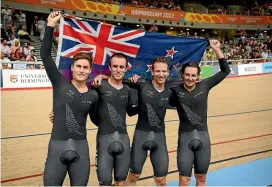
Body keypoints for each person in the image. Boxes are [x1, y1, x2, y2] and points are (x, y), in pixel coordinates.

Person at [50, 53, 138, 186]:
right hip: (104, 140)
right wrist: (59, 112)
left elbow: (131, 111)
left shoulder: (128, 88)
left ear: (126, 68)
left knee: (121, 182)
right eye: (115, 66)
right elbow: (81, 101)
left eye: (121, 67)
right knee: (105, 183)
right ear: (109, 67)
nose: (118, 69)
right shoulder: (98, 87)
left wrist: (146, 103)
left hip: (124, 140)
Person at [93, 56, 175, 186]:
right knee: (132, 176)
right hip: (139, 136)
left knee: (161, 180)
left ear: (168, 72)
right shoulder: (141, 84)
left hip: (159, 137)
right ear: (152, 72)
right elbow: (118, 79)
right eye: (157, 71)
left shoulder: (170, 92)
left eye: (164, 71)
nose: (161, 74)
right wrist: (103, 76)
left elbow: (186, 96)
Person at [41, 11, 99, 186]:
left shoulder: (93, 95)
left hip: (81, 150)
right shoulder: (60, 83)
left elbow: (98, 120)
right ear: (72, 68)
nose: (81, 70)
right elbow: (45, 56)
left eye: (85, 67)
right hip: (56, 148)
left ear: (90, 71)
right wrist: (51, 25)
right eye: (78, 66)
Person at [170, 39, 231, 186]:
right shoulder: (174, 91)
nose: (190, 78)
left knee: (202, 179)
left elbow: (225, 71)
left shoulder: (205, 85)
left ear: (198, 76)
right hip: (185, 139)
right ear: (182, 75)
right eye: (187, 75)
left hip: (203, 138)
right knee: (184, 181)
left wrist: (216, 50)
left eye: (193, 75)